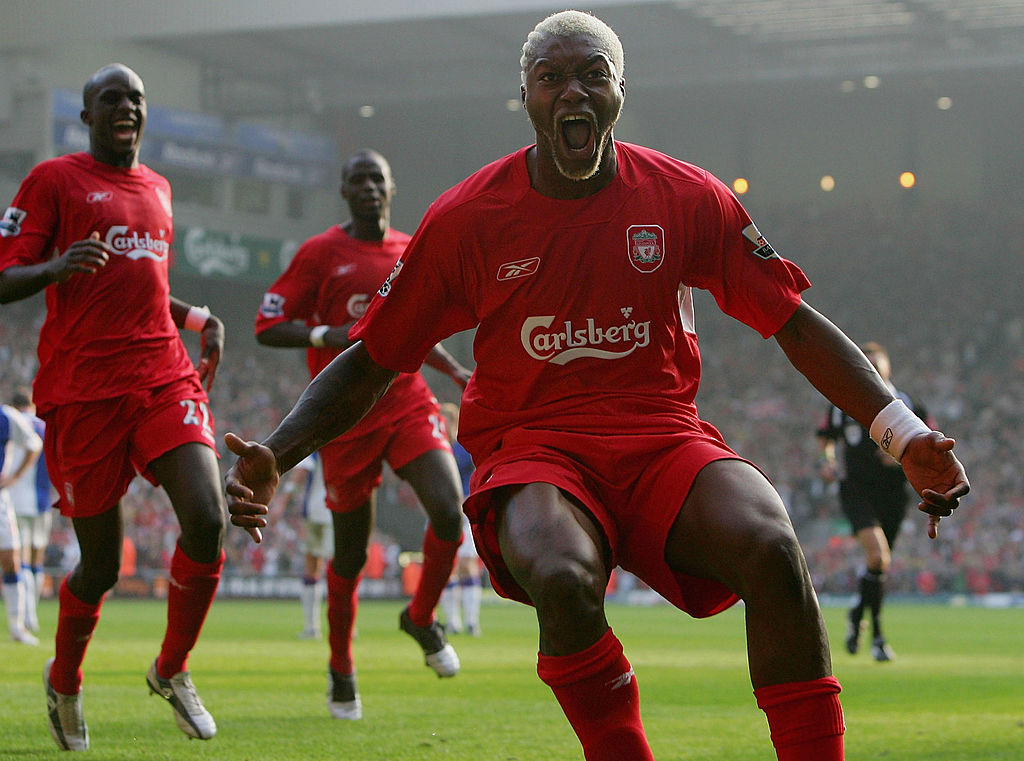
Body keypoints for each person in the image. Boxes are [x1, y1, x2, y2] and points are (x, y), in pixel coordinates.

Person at [224, 12, 969, 760]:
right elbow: (374, 357)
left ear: (619, 91)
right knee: (560, 572)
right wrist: (278, 455)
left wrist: (901, 432)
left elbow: (792, 321)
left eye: (592, 74)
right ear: (526, 96)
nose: (572, 90)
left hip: (662, 436)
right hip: (532, 447)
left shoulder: (684, 197)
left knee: (773, 546)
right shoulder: (466, 219)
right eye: (552, 78)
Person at [0, 63, 229, 751]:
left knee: (208, 518)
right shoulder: (54, 181)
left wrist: (195, 319)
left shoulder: (157, 187)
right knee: (99, 566)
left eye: (135, 98)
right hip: (85, 394)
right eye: (110, 99)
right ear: (87, 116)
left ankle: (172, 668)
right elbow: (7, 273)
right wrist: (53, 266)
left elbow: (142, 283)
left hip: (162, 376)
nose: (125, 107)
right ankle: (64, 680)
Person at [253, 148, 470, 721]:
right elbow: (268, 325)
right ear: (344, 192)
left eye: (378, 178)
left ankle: (420, 617)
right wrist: (330, 334)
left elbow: (417, 325)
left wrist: (453, 372)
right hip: (343, 417)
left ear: (392, 187)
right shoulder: (320, 253)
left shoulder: (407, 248)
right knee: (349, 555)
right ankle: (341, 668)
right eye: (358, 180)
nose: (369, 187)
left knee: (450, 512)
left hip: (404, 401)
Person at [817, 341, 932, 662]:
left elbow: (928, 444)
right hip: (856, 489)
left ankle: (857, 614)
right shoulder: (842, 402)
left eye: (876, 369)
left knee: (879, 565)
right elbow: (825, 438)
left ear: (887, 371)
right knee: (877, 555)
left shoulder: (907, 404)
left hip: (894, 493)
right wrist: (825, 461)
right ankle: (878, 637)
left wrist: (900, 459)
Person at [9, 386, 53, 636]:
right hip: (42, 500)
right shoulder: (44, 426)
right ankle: (32, 614)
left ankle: (25, 615)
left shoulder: (10, 422)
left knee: (21, 560)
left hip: (14, 500)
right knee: (37, 559)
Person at [0, 397, 43, 645]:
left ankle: (17, 627)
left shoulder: (7, 417)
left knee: (11, 559)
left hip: (2, 500)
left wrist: (15, 476)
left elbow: (33, 444)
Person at [275, 452, 332, 640]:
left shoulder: (318, 448)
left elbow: (300, 473)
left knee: (312, 568)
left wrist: (281, 503)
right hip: (340, 511)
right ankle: (345, 624)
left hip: (316, 514)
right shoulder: (347, 441)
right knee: (340, 570)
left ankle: (312, 627)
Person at [438, 402, 483, 636]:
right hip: (442, 511)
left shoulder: (463, 449)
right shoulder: (435, 449)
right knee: (447, 566)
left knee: (467, 565)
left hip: (464, 513)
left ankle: (472, 621)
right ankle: (453, 621)